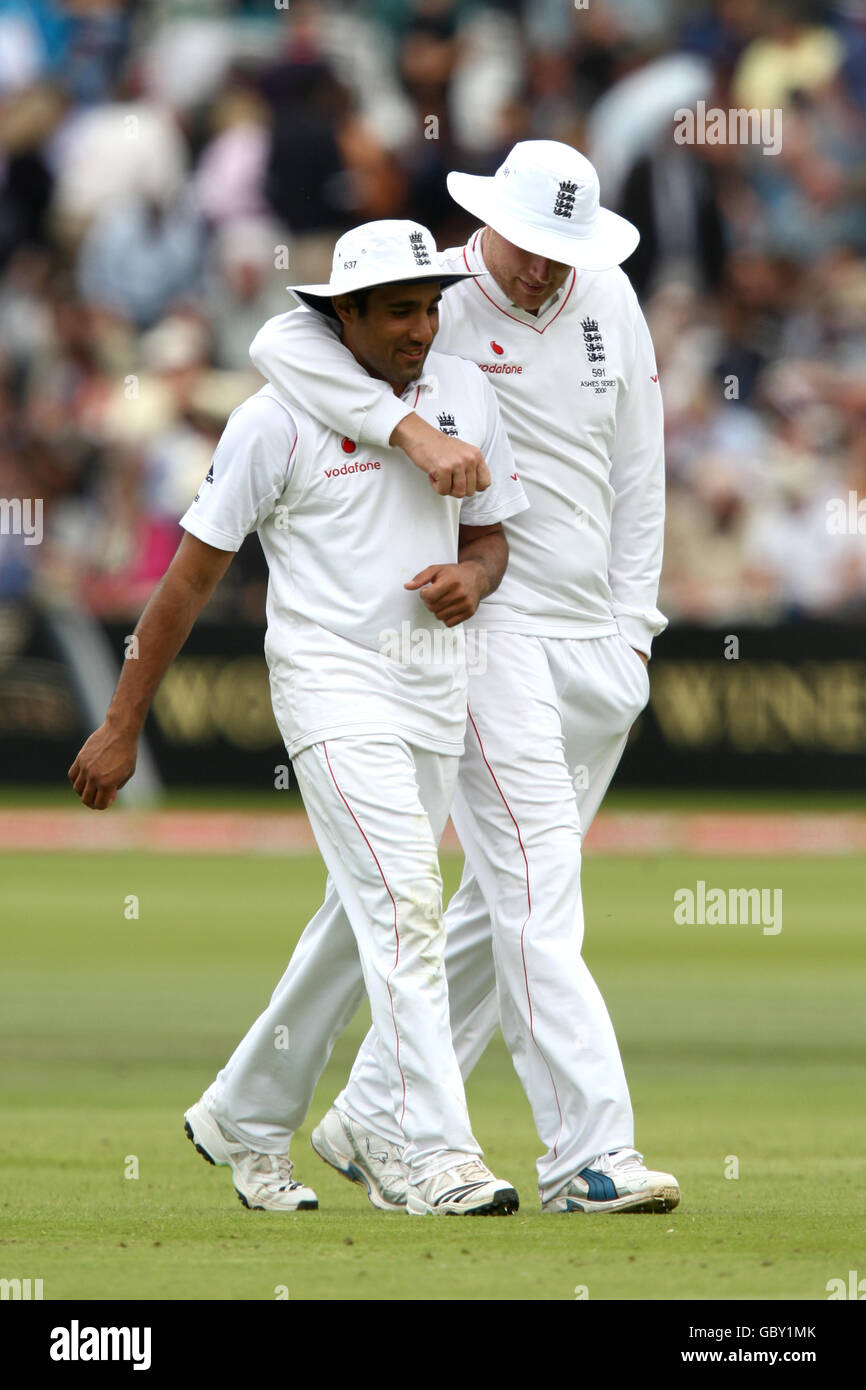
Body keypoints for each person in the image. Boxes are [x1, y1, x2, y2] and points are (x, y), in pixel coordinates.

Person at [247, 141, 681, 1215]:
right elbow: (276, 340)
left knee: (503, 899)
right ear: (489, 222)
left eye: (560, 252)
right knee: (538, 891)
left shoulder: (610, 295)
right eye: (528, 247)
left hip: (598, 638)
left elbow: (640, 466)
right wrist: (398, 423)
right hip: (493, 624)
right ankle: (588, 1153)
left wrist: (636, 624)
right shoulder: (428, 295)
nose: (539, 270)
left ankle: (363, 1108)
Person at [68, 219, 529, 1217]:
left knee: (352, 921)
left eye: (429, 306)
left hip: (431, 692)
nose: (420, 327)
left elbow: (490, 538)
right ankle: (428, 1152)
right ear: (344, 314)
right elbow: (185, 584)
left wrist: (471, 580)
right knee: (405, 903)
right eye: (398, 310)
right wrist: (121, 723)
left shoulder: (462, 393)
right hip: (329, 690)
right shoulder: (270, 422)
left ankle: (243, 1112)